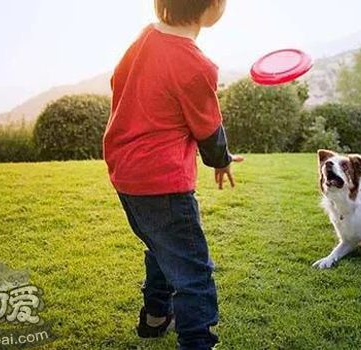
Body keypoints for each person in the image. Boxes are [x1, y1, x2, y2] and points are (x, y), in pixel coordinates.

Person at [103, 1, 243, 348]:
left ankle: (154, 318)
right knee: (194, 272)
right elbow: (208, 127)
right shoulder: (196, 65)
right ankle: (197, 342)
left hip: (126, 174)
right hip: (162, 181)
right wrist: (221, 160)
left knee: (160, 247)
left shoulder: (146, 36)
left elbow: (118, 83)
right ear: (209, 7)